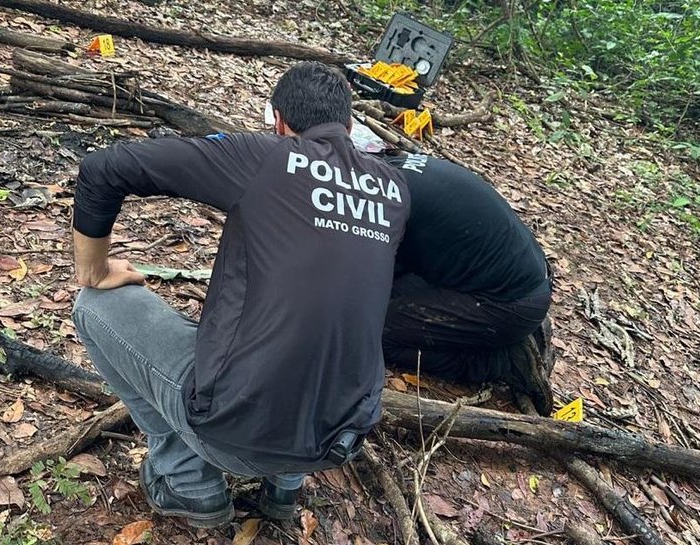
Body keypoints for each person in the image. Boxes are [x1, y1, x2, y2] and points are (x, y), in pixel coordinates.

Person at [70, 62, 410, 527]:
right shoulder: (394, 189)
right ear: (349, 126)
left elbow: (103, 168)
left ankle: (188, 481)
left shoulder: (269, 156)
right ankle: (284, 490)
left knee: (95, 305)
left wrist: (93, 268)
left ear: (280, 123)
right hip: (338, 440)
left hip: (234, 434)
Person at [379, 152, 555, 415]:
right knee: (380, 299)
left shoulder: (387, 200)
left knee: (377, 331)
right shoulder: (393, 168)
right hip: (513, 274)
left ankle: (498, 362)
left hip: (508, 303)